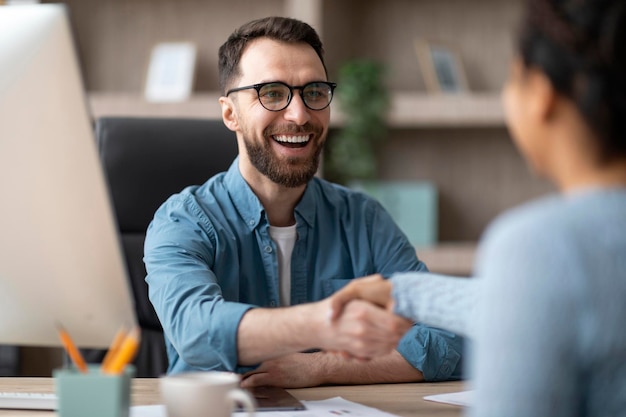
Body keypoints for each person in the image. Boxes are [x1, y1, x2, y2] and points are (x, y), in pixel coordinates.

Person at [330, 0, 626, 415]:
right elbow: (543, 304)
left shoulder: (539, 245)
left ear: (541, 94)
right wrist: (401, 294)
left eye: (512, 78)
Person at [144, 16, 463, 387]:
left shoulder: (363, 220)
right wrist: (328, 323)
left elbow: (446, 338)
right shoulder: (182, 220)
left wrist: (320, 368)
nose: (299, 115)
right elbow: (197, 331)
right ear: (230, 113)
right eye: (273, 93)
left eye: (313, 92)